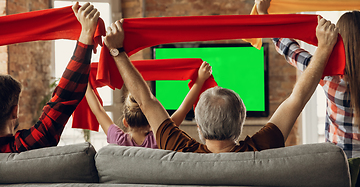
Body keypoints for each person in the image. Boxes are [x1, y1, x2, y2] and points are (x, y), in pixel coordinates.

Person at [102, 15, 338, 153]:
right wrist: (325, 48)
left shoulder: (178, 148)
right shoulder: (261, 148)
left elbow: (145, 100)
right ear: (241, 122)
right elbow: (296, 99)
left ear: (200, 127)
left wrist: (117, 50)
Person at [255, 0, 360, 158]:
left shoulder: (329, 75)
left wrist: (264, 14)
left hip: (341, 164)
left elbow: (288, 47)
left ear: (340, 39)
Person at [0, 2, 100, 153]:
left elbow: (64, 100)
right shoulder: (23, 149)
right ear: (15, 111)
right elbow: (62, 101)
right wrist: (86, 32)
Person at [85, 61, 212, 148]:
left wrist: (83, 80)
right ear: (151, 121)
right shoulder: (161, 137)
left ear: (125, 122)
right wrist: (200, 79)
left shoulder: (118, 139)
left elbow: (98, 111)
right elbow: (183, 109)